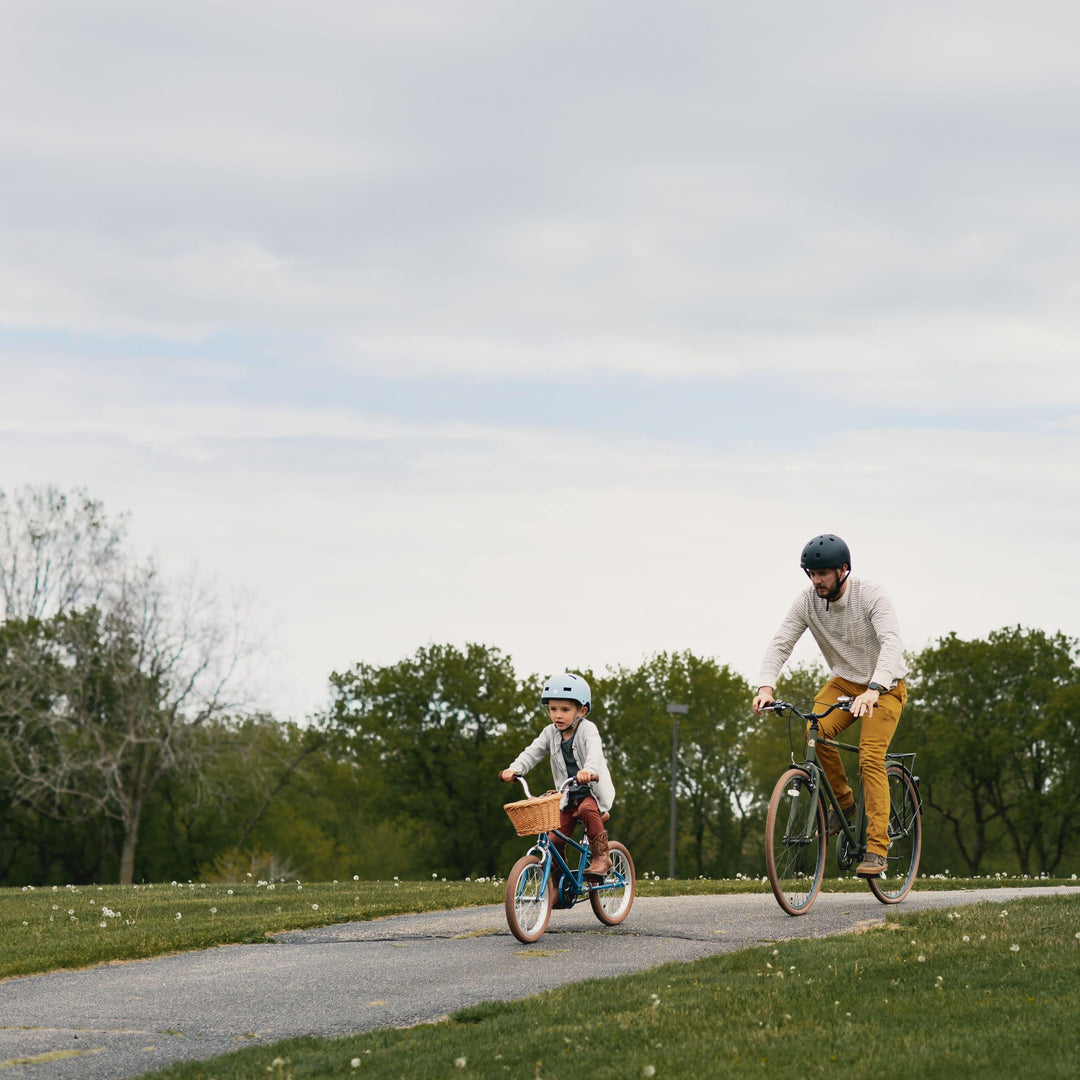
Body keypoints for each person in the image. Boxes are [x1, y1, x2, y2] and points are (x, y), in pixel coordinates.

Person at [751, 534, 908, 877]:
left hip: (885, 687)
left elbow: (891, 642)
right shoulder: (807, 601)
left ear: (843, 570)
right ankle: (844, 804)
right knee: (815, 729)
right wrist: (766, 686)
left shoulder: (871, 595)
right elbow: (782, 641)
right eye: (810, 573)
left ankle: (878, 849)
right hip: (843, 683)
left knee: (869, 759)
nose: (816, 580)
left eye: (822, 573)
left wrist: (874, 689)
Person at [499, 672, 616, 878]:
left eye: (565, 709)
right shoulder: (549, 733)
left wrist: (588, 771)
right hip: (566, 796)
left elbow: (595, 753)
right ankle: (556, 883)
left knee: (588, 808)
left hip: (591, 791)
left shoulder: (588, 730)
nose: (558, 715)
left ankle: (602, 858)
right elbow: (532, 752)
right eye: (553, 709)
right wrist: (515, 769)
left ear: (582, 710)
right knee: (553, 839)